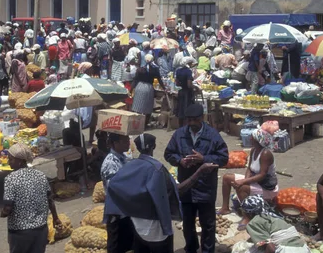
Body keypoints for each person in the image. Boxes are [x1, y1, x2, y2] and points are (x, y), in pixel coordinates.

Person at [105, 133, 219, 253]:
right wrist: (199, 172)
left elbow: (113, 186)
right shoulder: (157, 169)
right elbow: (178, 190)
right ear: (153, 146)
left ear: (137, 148)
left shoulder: (130, 165)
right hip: (157, 230)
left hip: (138, 226)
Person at [164, 104, 229, 253]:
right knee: (187, 223)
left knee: (208, 224)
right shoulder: (179, 134)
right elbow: (169, 154)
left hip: (205, 188)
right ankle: (191, 248)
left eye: (195, 120)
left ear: (202, 118)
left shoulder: (212, 135)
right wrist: (180, 161)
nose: (192, 123)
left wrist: (203, 158)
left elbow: (224, 158)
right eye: (189, 120)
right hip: (186, 187)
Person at [1, 143, 61, 253]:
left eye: (11, 159)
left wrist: (3, 213)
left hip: (20, 233)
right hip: (41, 230)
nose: (8, 162)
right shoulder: (40, 175)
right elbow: (50, 200)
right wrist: (56, 218)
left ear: (20, 161)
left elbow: (8, 208)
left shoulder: (10, 179)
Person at [219, 128, 278, 228]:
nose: (250, 139)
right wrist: (245, 181)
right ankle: (225, 208)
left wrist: (244, 182)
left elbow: (262, 175)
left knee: (242, 188)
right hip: (256, 181)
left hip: (266, 187)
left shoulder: (265, 154)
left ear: (258, 140)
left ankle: (247, 217)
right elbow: (250, 169)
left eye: (252, 137)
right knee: (226, 178)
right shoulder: (254, 150)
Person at [101, 133, 134, 253]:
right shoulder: (111, 163)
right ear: (115, 143)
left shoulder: (123, 158)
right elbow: (114, 189)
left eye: (128, 140)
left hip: (126, 211)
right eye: (124, 141)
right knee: (116, 247)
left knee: (129, 244)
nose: (128, 143)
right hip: (116, 212)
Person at [242, 194, 309, 253]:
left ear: (247, 213)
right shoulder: (274, 216)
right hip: (303, 248)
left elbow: (271, 249)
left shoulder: (253, 223)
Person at [132, 54, 166, 125]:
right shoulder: (155, 69)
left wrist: (131, 89)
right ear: (152, 60)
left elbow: (135, 80)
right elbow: (159, 80)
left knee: (138, 107)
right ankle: (145, 124)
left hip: (139, 87)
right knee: (147, 107)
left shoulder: (140, 69)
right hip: (149, 88)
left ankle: (137, 124)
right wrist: (164, 88)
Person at [175, 56, 196, 127]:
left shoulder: (178, 71)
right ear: (188, 63)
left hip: (181, 92)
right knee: (187, 109)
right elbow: (189, 84)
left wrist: (182, 84)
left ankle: (180, 126)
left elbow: (177, 83)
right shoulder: (188, 71)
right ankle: (187, 126)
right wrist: (196, 87)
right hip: (187, 93)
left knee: (180, 109)